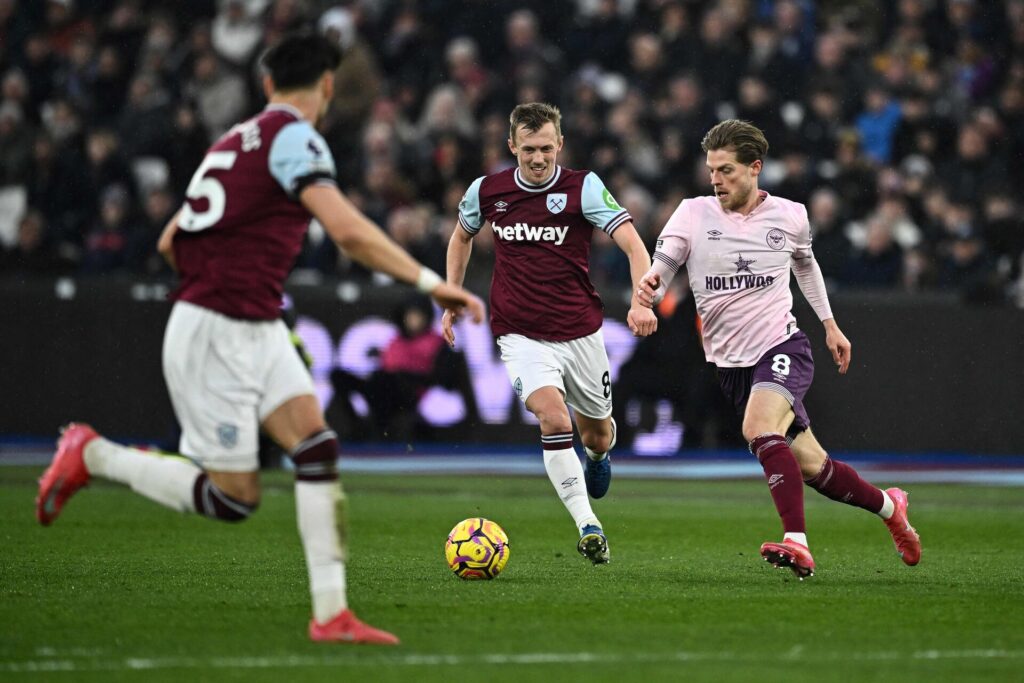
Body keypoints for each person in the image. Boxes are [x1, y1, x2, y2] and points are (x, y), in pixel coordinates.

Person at [35, 32, 484, 644]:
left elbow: (171, 241)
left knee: (317, 447)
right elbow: (346, 230)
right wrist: (432, 281)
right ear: (327, 86)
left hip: (252, 320)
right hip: (219, 328)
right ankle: (92, 455)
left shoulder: (232, 141)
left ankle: (331, 615)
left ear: (268, 84)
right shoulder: (293, 138)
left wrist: (228, 274)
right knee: (233, 498)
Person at [637, 119, 921, 579]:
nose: (716, 179)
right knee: (816, 469)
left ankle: (797, 542)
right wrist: (647, 290)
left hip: (782, 346)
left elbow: (806, 268)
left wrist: (830, 326)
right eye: (711, 170)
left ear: (755, 168)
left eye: (726, 170)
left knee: (757, 427)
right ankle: (892, 508)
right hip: (731, 365)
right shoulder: (692, 213)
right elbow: (664, 262)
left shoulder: (790, 215)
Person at [442, 102, 658, 565]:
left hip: (580, 332)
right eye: (527, 151)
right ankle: (588, 526)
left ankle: (599, 458)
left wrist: (641, 300)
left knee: (596, 436)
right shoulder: (487, 191)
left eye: (545, 149)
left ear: (559, 144)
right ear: (511, 148)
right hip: (519, 333)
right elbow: (461, 236)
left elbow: (633, 245)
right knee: (555, 421)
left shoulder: (584, 188)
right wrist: (452, 296)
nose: (537, 159)